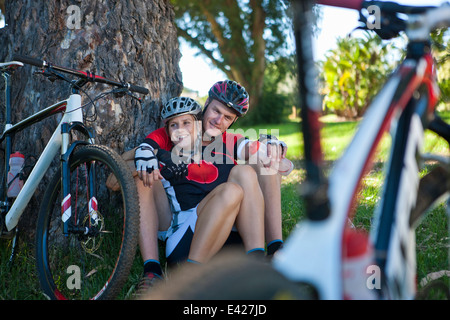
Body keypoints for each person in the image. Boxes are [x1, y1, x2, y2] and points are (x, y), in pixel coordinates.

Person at [135, 81, 291, 291]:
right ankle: (158, 271)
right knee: (231, 190)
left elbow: (262, 153)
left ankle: (269, 253)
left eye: (227, 117)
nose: (218, 120)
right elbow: (142, 151)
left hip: (230, 236)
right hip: (187, 241)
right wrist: (143, 151)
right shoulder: (179, 131)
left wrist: (271, 145)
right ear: (206, 104)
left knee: (256, 166)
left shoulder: (229, 142)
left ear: (233, 121)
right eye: (216, 111)